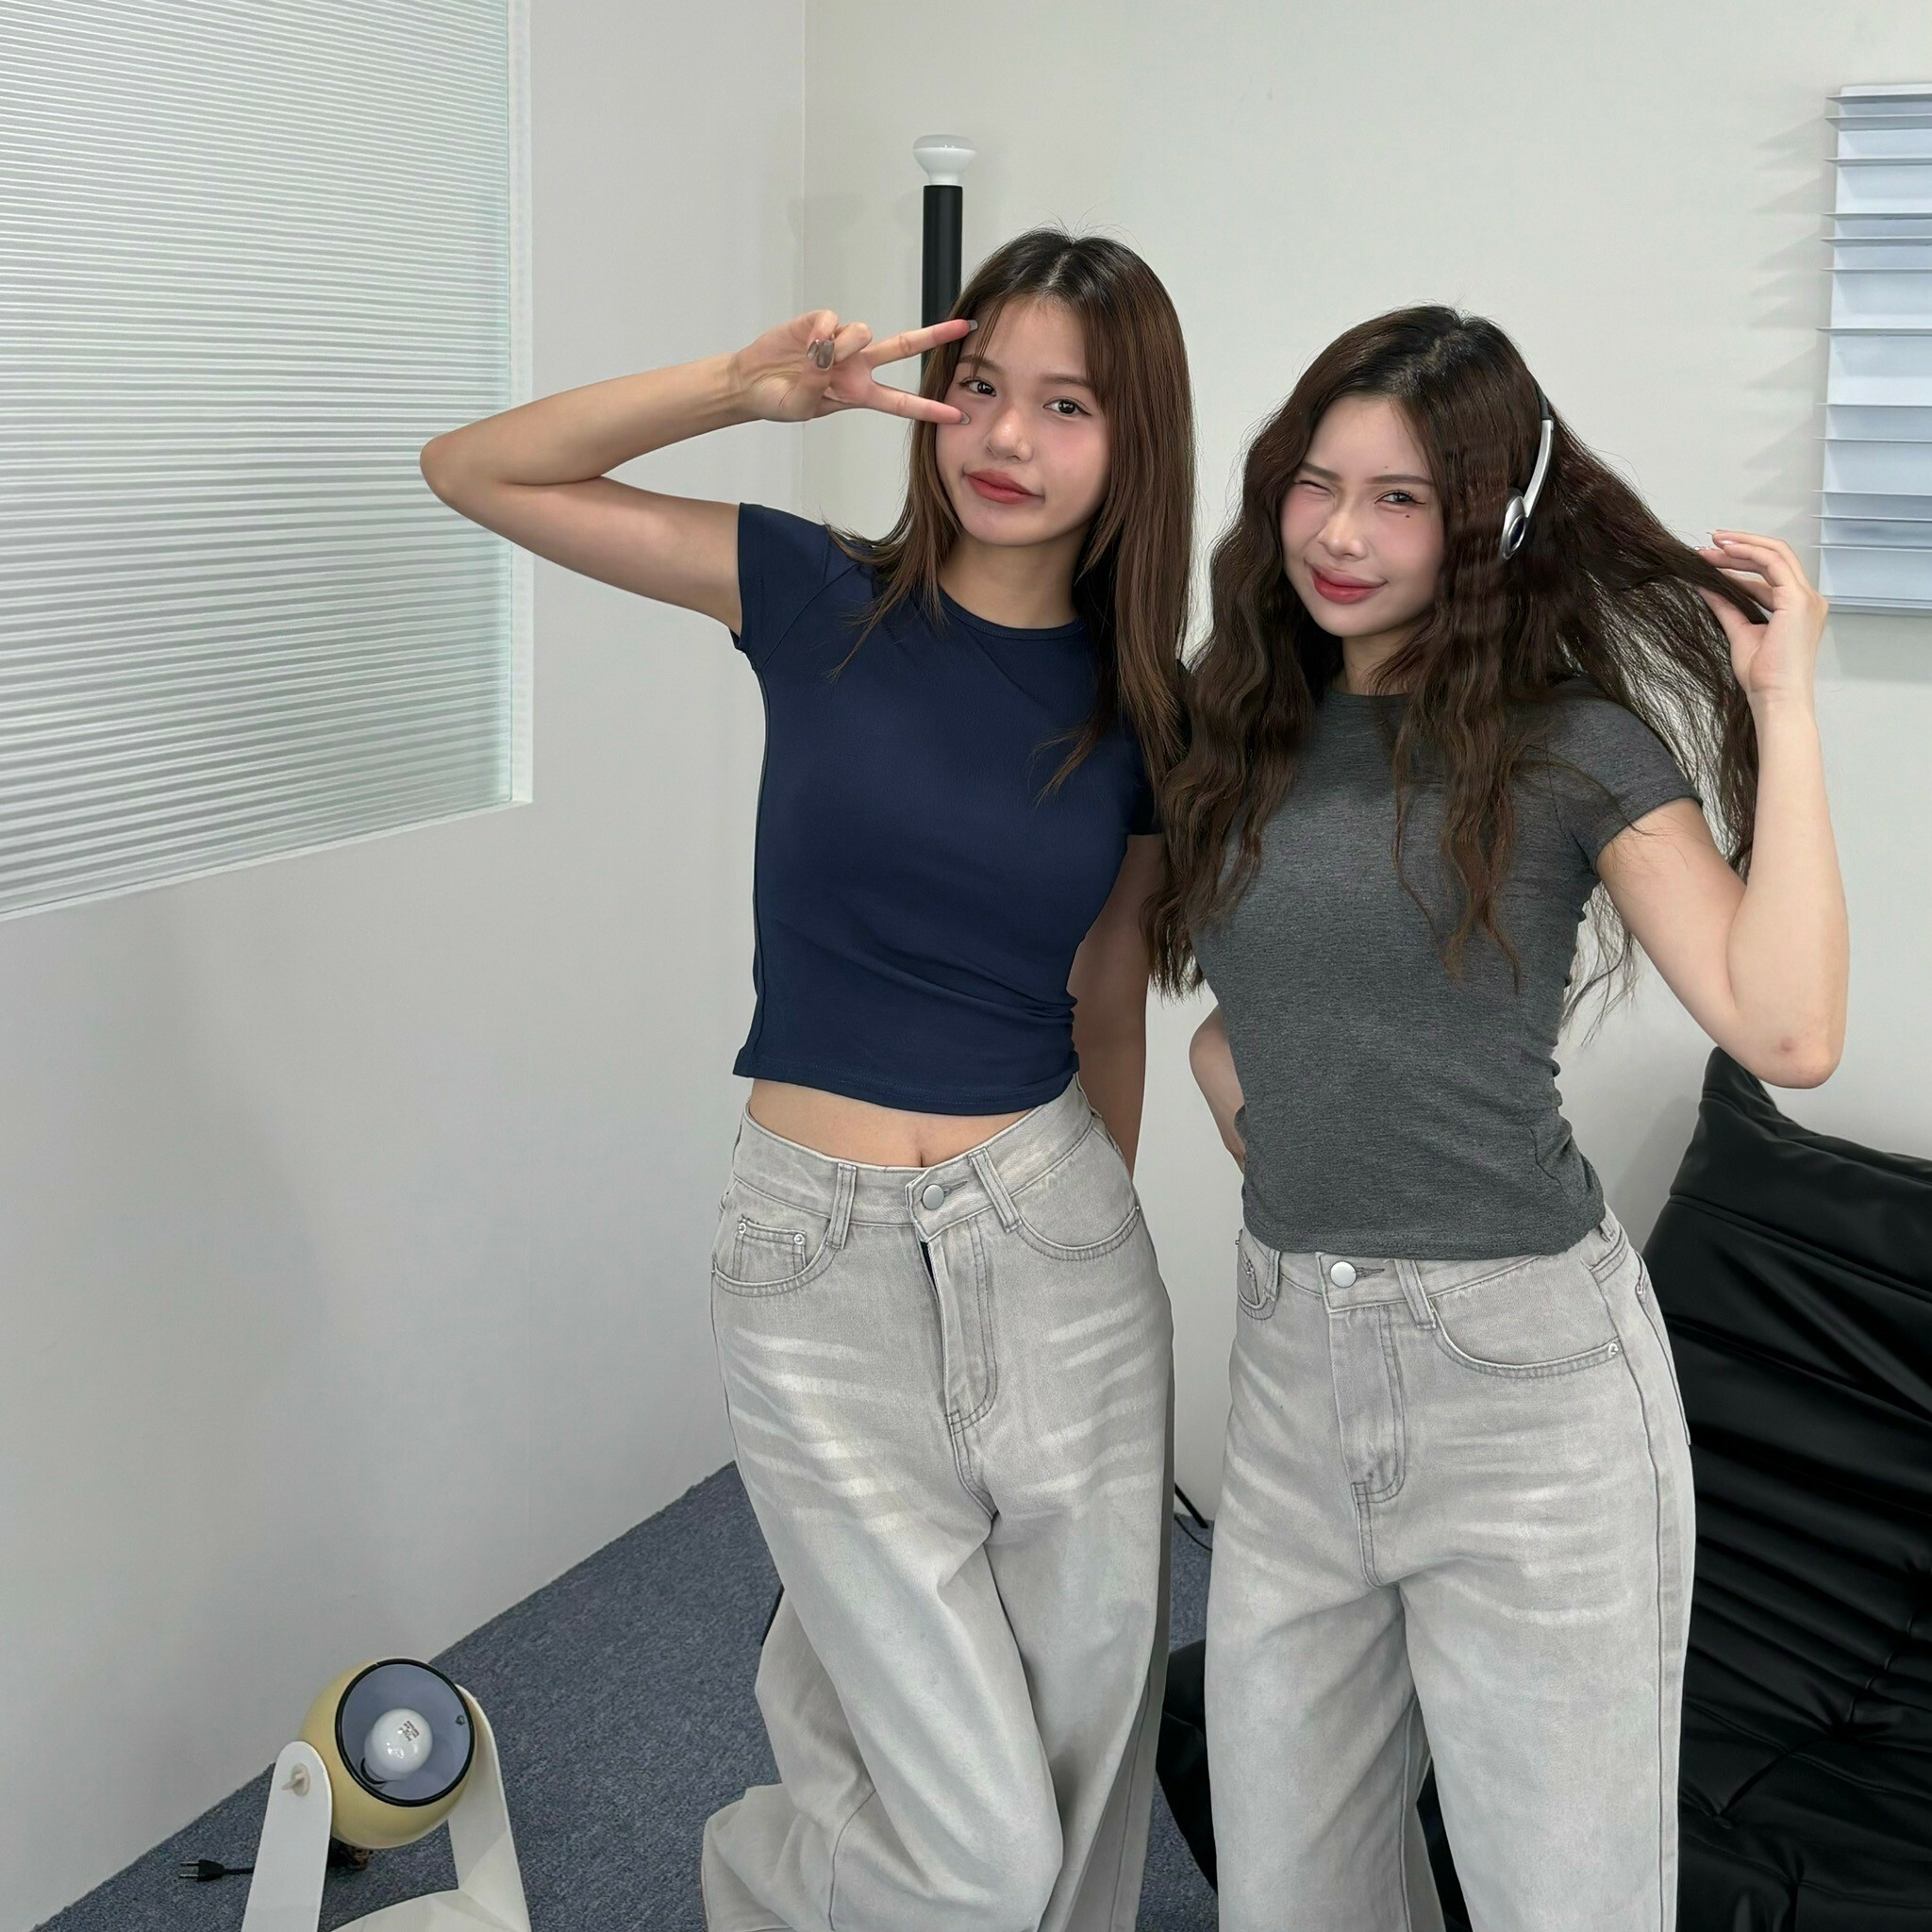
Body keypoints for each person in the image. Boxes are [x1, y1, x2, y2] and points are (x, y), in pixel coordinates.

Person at [421, 228, 1195, 1932]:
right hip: (813, 1255)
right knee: (975, 1839)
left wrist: (1085, 1248)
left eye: (1068, 405)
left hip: (1056, 1233)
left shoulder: (1148, 708)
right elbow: (472, 468)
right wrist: (740, 389)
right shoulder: (815, 593)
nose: (1006, 436)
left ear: (1137, 441)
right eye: (980, 387)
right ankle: (763, 1893)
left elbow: (1111, 999)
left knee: (1078, 1747)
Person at [1152, 305, 1847, 1932]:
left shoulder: (1571, 746)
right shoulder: (1233, 723)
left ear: (1491, 520)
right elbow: (1245, 1018)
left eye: (1399, 499)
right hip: (1292, 1368)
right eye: (1317, 484)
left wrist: (1787, 705)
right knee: (1291, 1889)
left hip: (1527, 1384)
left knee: (1565, 1901)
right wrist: (1252, 1093)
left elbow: (1790, 1028)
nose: (1340, 534)